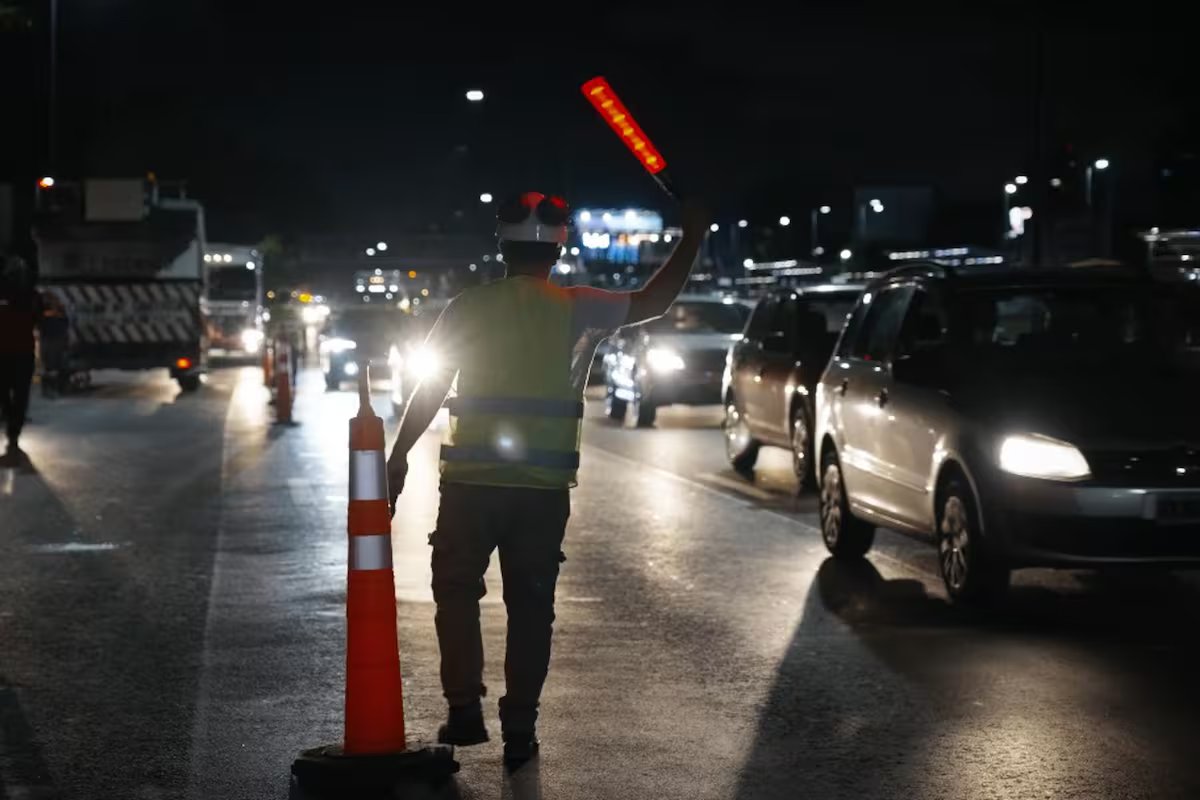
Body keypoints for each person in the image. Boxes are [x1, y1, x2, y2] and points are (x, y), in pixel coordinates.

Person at [386, 192, 707, 766]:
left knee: (456, 592)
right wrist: (694, 234)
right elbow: (656, 299)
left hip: (471, 485)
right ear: (559, 250)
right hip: (541, 492)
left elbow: (430, 389)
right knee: (531, 608)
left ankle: (464, 708)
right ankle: (520, 732)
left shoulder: (467, 306)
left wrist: (399, 454)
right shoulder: (579, 306)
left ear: (501, 246)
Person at [0, 255, 41, 459]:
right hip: (23, 353)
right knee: (20, 396)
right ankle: (13, 432)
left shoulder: (28, 296)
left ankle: (12, 429)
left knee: (7, 395)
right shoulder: (32, 296)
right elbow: (40, 320)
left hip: (7, 353)